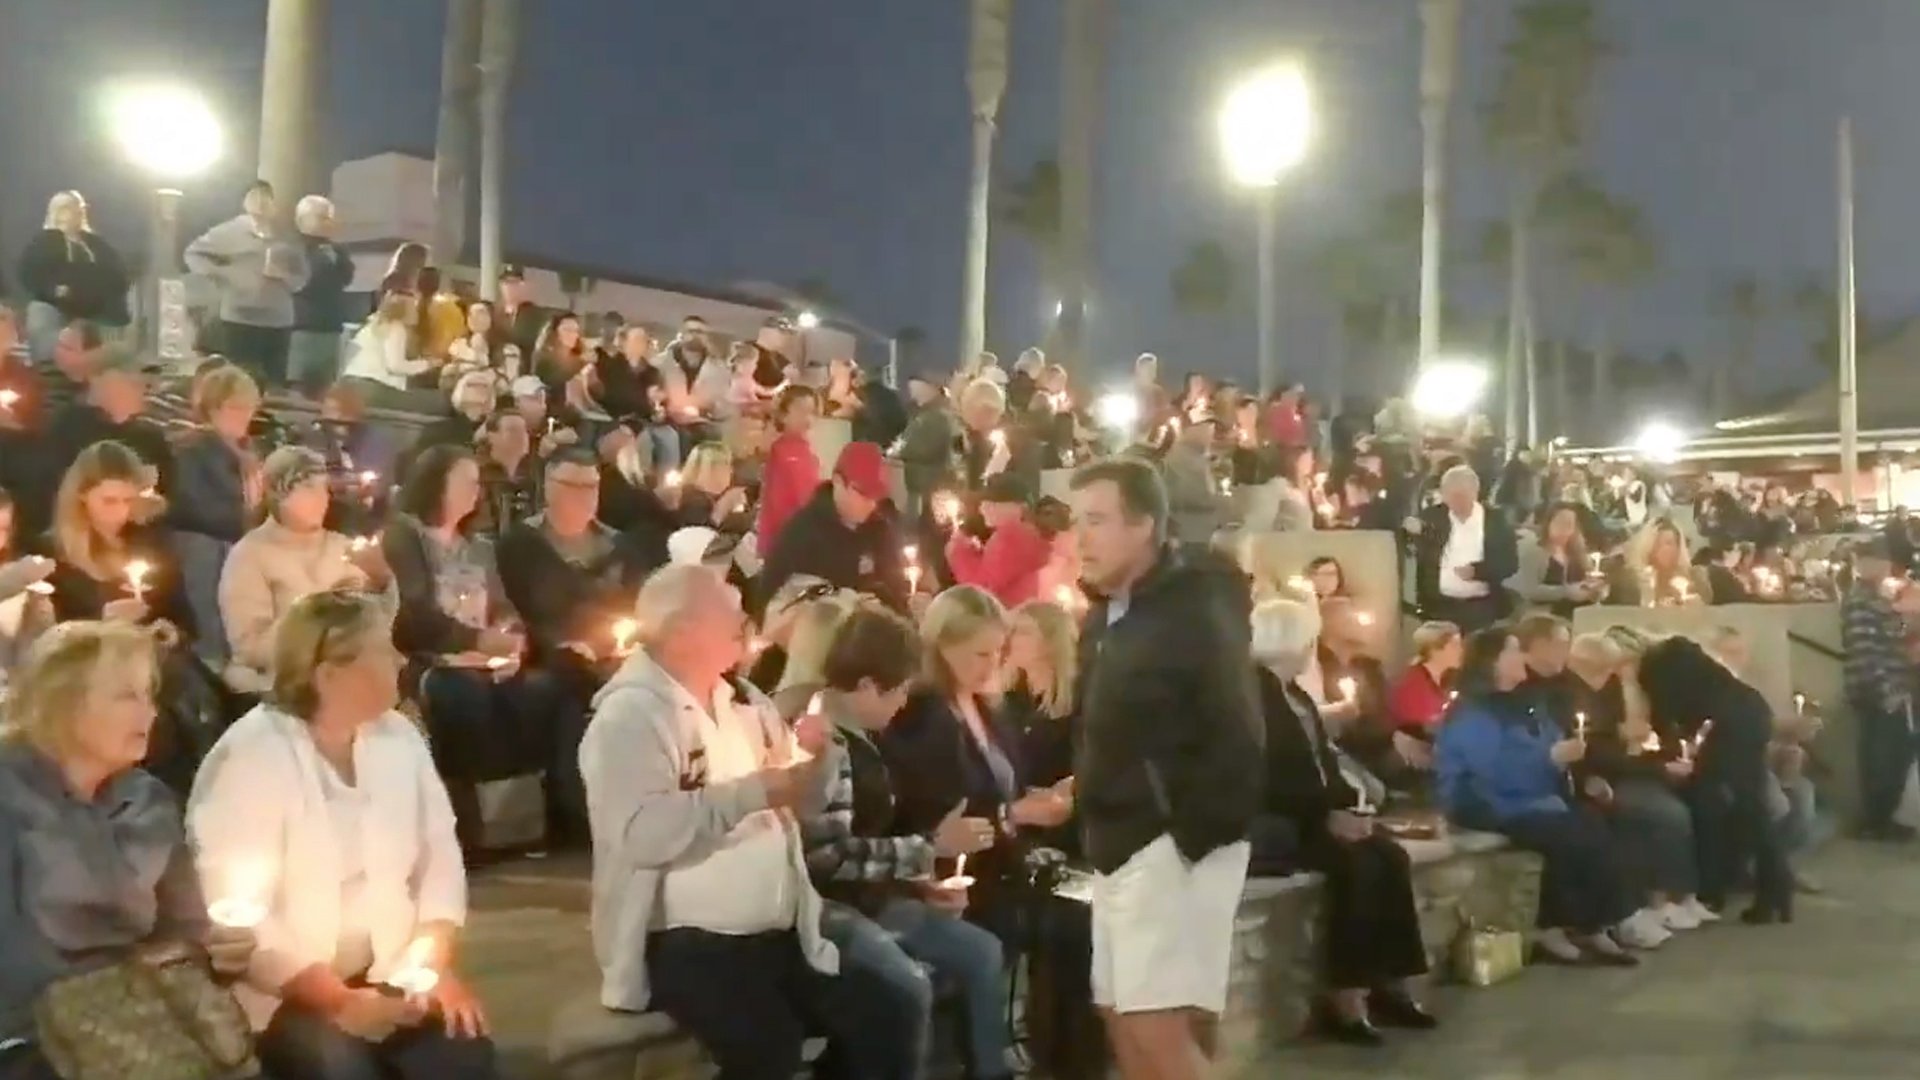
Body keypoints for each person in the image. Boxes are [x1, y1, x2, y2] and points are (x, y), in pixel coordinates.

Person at [580, 564, 917, 1080]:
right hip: (687, 942)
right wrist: (753, 792)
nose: (745, 617)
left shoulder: (744, 701)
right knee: (769, 1049)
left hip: (781, 926)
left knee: (888, 1007)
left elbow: (802, 803)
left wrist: (818, 757)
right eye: (729, 608)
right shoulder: (629, 718)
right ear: (682, 629)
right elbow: (640, 834)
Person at [187, 590, 501, 1080]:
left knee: (463, 1055)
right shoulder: (251, 757)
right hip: (288, 992)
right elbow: (241, 914)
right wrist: (337, 999)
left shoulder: (399, 738)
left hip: (392, 969)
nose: (400, 661)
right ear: (328, 672)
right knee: (339, 1067)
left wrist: (432, 960)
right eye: (382, 651)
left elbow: (438, 854)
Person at [1069, 457, 1262, 1080]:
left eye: (1097, 520)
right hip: (1120, 844)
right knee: (1121, 1016)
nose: (1081, 537)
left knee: (1157, 1029)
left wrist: (1183, 837)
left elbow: (1237, 732)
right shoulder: (1107, 617)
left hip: (1166, 845)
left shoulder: (1192, 612)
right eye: (1077, 521)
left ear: (1144, 526)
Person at [0, 621, 256, 1080]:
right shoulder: (9, 792)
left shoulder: (148, 799)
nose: (150, 713)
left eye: (149, 695)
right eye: (126, 697)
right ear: (63, 701)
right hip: (42, 1038)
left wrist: (219, 953)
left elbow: (187, 928)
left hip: (150, 1019)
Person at [800, 606, 1013, 1080]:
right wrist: (929, 849)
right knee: (910, 987)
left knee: (983, 951)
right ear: (867, 686)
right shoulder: (829, 746)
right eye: (897, 693)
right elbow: (828, 858)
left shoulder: (859, 736)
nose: (901, 706)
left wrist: (920, 884)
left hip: (874, 897)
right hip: (837, 910)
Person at [1248, 598, 1433, 1046]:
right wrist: (1326, 815)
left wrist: (1349, 805)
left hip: (1312, 813)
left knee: (1389, 857)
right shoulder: (1252, 696)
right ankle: (1346, 995)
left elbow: (1320, 765)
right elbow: (1261, 775)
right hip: (1273, 821)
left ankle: (1390, 983)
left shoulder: (1293, 695)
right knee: (1357, 866)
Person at [1433, 628, 1640, 966]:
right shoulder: (1472, 711)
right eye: (1513, 651)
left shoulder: (1524, 702)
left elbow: (1545, 740)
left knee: (1594, 825)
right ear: (1491, 662)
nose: (1521, 658)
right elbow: (1491, 769)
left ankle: (1594, 924)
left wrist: (1571, 766)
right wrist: (1550, 758)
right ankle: (1551, 927)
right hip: (1485, 801)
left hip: (1533, 794)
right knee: (1563, 835)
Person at [881, 587, 1073, 940]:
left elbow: (1002, 784)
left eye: (1000, 651)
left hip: (1000, 875)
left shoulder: (989, 708)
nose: (993, 664)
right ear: (941, 648)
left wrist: (1042, 798)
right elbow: (933, 809)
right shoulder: (919, 715)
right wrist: (1014, 814)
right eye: (981, 653)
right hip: (947, 886)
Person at [382, 445, 538, 852]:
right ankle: (468, 827)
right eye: (466, 481)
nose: (476, 490)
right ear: (436, 484)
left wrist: (513, 636)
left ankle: (518, 821)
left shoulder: (479, 547)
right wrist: (477, 641)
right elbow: (415, 613)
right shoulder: (405, 535)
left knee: (540, 691)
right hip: (429, 658)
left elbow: (502, 604)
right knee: (464, 696)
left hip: (482, 656)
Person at [496, 448, 657, 843]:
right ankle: (583, 812)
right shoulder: (523, 544)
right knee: (573, 686)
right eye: (574, 486)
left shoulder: (618, 546)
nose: (585, 495)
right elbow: (531, 611)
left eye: (593, 486)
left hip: (612, 653)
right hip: (549, 653)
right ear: (549, 487)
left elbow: (636, 605)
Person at [1616, 627, 1795, 923]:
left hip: (1729, 727)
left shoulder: (1652, 672)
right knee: (1750, 804)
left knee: (1745, 807)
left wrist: (1671, 752)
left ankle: (1757, 888)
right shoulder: (1680, 652)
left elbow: (1667, 721)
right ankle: (1775, 889)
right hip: (1751, 712)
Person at [219, 447, 386, 695]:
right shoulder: (250, 554)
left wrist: (381, 581)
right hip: (282, 684)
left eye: (324, 487)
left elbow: (375, 626)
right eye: (309, 487)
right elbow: (250, 647)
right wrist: (315, 613)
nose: (323, 497)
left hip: (346, 675)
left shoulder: (343, 548)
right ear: (278, 493)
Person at [183, 179, 310, 385]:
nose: (260, 202)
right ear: (245, 202)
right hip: (240, 318)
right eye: (254, 196)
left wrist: (284, 276)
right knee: (239, 379)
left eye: (266, 197)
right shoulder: (227, 232)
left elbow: (302, 278)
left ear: (274, 204)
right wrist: (223, 275)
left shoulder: (287, 237)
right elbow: (193, 253)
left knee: (274, 381)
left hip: (278, 320)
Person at [759, 442, 910, 613]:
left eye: (876, 496)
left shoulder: (881, 529)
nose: (870, 504)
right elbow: (769, 600)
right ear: (838, 481)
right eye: (862, 492)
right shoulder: (802, 533)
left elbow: (896, 589)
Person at [1840, 535, 1917, 841]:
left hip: (1894, 687)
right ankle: (1876, 821)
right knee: (1881, 757)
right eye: (1877, 561)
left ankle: (1884, 818)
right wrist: (1886, 690)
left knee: (1896, 754)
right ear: (1864, 564)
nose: (1884, 567)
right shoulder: (1860, 600)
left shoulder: (1877, 598)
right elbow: (1864, 650)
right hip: (1878, 690)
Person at [18, 190, 130, 361]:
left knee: (116, 335)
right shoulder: (43, 241)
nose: (69, 213)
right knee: (39, 313)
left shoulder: (97, 245)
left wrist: (102, 295)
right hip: (54, 307)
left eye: (74, 208)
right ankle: (52, 359)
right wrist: (53, 289)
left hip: (95, 312)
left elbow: (118, 275)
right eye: (63, 208)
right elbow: (29, 271)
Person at [1414, 465, 1517, 633]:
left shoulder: (1495, 521)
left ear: (1475, 493)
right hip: (1438, 608)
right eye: (1449, 495)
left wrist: (1477, 571)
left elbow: (1509, 563)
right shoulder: (1432, 516)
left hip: (1479, 608)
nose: (1454, 501)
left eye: (1460, 496)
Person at [945, 474, 1052, 608]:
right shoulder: (1028, 535)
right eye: (983, 503)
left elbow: (982, 589)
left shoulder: (1009, 538)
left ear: (1020, 507)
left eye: (993, 503)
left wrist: (959, 552)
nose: (983, 509)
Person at [288, 195, 355, 397]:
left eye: (331, 217)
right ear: (303, 220)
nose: (330, 222)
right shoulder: (291, 248)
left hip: (331, 328)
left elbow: (346, 278)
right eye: (324, 217)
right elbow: (300, 283)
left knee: (326, 388)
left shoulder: (338, 250)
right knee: (299, 386)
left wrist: (337, 259)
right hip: (302, 328)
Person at [340, 275, 435, 409]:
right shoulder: (396, 327)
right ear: (404, 309)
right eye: (415, 307)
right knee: (436, 403)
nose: (417, 312)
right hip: (374, 388)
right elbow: (395, 366)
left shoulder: (372, 324)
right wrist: (428, 364)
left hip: (350, 386)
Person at [1508, 502, 1605, 618]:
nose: (1564, 528)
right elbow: (1530, 590)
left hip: (1576, 612)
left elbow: (1586, 580)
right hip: (1543, 613)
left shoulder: (1578, 552)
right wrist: (1566, 592)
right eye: (1560, 522)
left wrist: (1593, 590)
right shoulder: (1534, 550)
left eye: (1569, 524)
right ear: (1549, 523)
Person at [755, 385, 823, 551]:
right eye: (800, 411)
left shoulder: (809, 453)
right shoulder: (776, 450)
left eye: (811, 412)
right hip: (782, 539)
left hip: (804, 535)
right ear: (783, 415)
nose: (807, 418)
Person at [1161, 407, 1227, 548]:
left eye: (1212, 427)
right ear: (1190, 429)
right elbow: (1195, 496)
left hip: (1201, 535)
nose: (1211, 432)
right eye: (1206, 426)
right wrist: (1227, 503)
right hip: (1188, 537)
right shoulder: (1180, 458)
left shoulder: (1198, 457)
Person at [1613, 519, 1711, 607]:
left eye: (1674, 543)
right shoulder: (1633, 581)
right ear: (1650, 547)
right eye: (1667, 544)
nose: (1673, 549)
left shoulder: (1693, 578)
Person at [1386, 621, 1462, 733]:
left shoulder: (1447, 680)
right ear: (1435, 649)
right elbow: (1417, 728)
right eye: (1455, 645)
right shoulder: (1412, 684)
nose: (1461, 651)